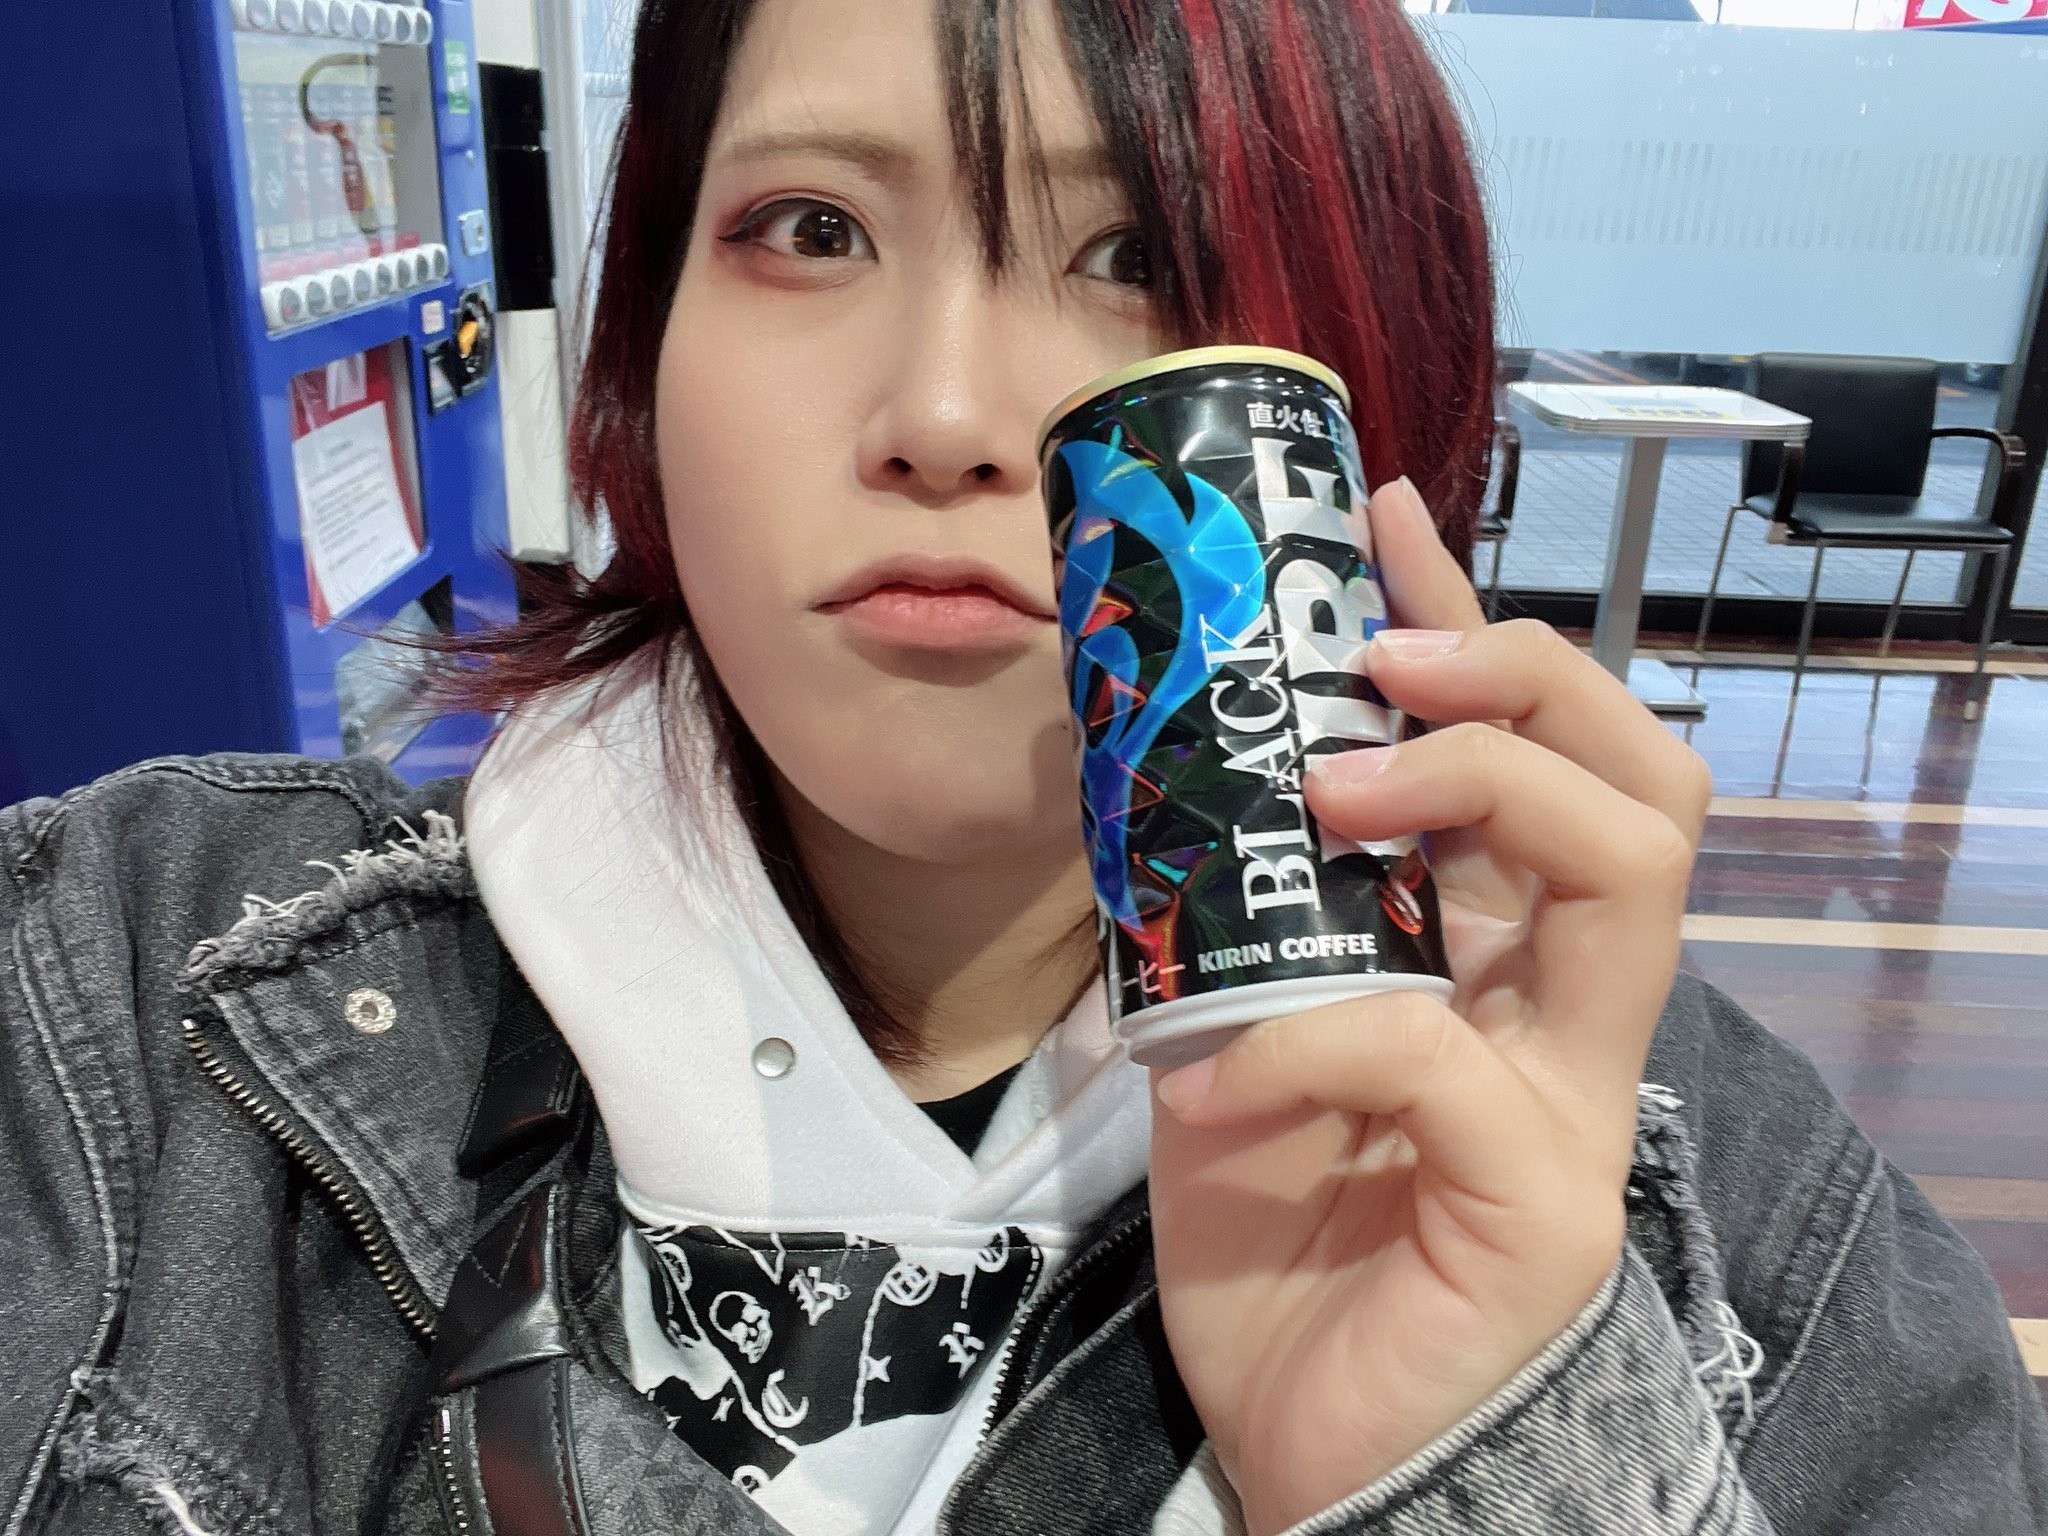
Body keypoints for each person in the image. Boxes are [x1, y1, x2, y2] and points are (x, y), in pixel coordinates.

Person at [2, 0, 2043, 1532]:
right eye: (809, 225)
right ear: (641, 339)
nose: (950, 412)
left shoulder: (1760, 1243)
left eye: (1142, 252)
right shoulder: (116, 1000)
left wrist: (1494, 1464)